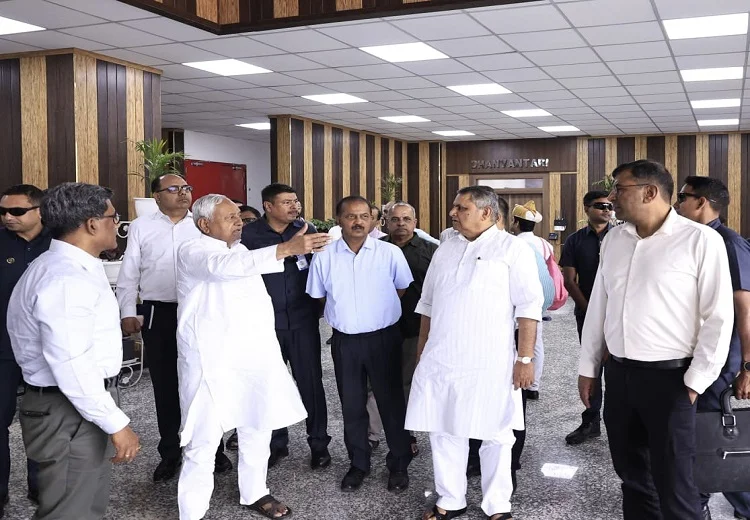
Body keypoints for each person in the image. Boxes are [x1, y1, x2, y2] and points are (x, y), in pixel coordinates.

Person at [579, 160, 734, 520]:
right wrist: (588, 367)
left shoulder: (700, 240)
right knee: (632, 477)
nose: (612, 197)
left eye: (620, 189)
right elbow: (600, 307)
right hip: (620, 377)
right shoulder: (615, 240)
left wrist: (694, 383)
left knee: (676, 483)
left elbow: (719, 316)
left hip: (671, 380)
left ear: (649, 192)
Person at [175, 194, 329, 520]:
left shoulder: (241, 250)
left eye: (239, 216)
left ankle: (254, 491)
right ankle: (192, 512)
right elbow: (222, 268)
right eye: (230, 217)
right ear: (205, 224)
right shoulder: (193, 250)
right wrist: (286, 249)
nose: (239, 223)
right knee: (202, 440)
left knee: (257, 425)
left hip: (252, 356)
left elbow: (246, 271)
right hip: (211, 362)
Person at [406, 186, 543, 520]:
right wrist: (422, 351)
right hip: (442, 358)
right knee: (444, 429)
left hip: (490, 360)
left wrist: (525, 360)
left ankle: (497, 504)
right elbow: (427, 304)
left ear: (486, 212)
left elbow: (529, 308)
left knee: (496, 434)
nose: (453, 213)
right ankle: (450, 499)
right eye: (454, 207)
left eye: (461, 208)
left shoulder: (512, 249)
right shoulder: (446, 248)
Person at [7, 182, 140, 520]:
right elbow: (72, 363)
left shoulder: (74, 267)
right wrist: (116, 423)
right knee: (69, 510)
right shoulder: (65, 279)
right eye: (113, 218)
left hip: (78, 404)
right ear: (92, 224)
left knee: (86, 503)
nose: (117, 225)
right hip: (67, 407)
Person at [117, 174, 230, 482]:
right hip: (159, 312)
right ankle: (170, 452)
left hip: (200, 311)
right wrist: (128, 311)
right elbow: (129, 272)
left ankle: (214, 450)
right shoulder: (141, 227)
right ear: (156, 196)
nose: (183, 193)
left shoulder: (203, 224)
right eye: (174, 189)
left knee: (204, 382)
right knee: (166, 385)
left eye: (186, 188)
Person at [307, 195, 414, 493]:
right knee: (352, 405)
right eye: (351, 216)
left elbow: (401, 288)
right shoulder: (324, 256)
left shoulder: (389, 253)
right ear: (339, 220)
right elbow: (319, 296)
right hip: (346, 343)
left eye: (364, 216)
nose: (358, 222)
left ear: (373, 220)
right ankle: (358, 464)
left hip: (384, 339)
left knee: (392, 404)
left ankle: (399, 464)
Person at [675, 176, 750, 520]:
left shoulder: (728, 243)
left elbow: (744, 309)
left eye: (683, 197)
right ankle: (698, 499)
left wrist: (747, 367)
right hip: (694, 354)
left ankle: (739, 504)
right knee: (696, 430)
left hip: (721, 359)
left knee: (716, 433)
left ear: (701, 202)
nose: (677, 203)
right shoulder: (691, 238)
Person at [241, 183, 331, 469]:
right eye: (287, 202)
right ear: (268, 206)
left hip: (303, 320)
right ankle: (276, 443)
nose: (295, 206)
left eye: (296, 201)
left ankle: (319, 444)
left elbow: (321, 269)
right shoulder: (249, 235)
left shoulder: (306, 230)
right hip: (265, 324)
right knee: (270, 384)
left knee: (311, 383)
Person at [0, 185, 49, 518]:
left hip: (46, 350)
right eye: (3, 212)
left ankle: (41, 485)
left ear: (39, 211)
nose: (8, 217)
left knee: (43, 420)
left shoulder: (59, 243)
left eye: (17, 211)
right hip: (3, 348)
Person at [378, 201, 438, 457]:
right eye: (395, 219)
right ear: (386, 223)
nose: (400, 223)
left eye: (406, 219)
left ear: (415, 222)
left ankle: (407, 435)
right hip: (379, 328)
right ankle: (374, 434)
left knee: (406, 383)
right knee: (377, 384)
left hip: (414, 328)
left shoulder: (431, 251)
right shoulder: (376, 248)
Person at [560, 190, 613, 445]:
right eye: (600, 206)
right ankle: (591, 422)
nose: (606, 210)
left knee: (617, 370)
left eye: (610, 206)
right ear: (586, 209)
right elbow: (569, 280)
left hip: (618, 317)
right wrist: (591, 313)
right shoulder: (575, 240)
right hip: (586, 312)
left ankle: (619, 422)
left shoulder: (621, 237)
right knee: (593, 367)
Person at [510, 200, 551, 400]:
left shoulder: (513, 244)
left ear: (516, 223)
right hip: (539, 298)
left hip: (517, 296)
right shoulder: (544, 244)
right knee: (536, 340)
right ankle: (533, 385)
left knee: (514, 337)